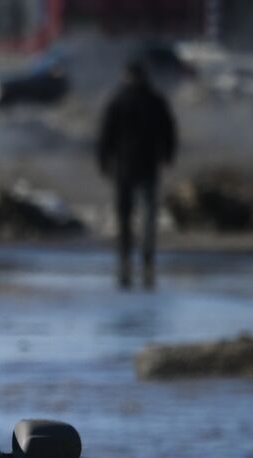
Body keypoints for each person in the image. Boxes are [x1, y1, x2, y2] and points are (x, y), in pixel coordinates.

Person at [97, 60, 177, 289]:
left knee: (131, 214)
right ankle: (141, 256)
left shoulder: (123, 100)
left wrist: (104, 160)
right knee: (142, 214)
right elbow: (169, 130)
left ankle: (128, 256)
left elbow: (105, 135)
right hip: (143, 165)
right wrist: (168, 155)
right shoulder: (150, 100)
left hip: (129, 166)